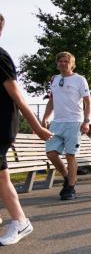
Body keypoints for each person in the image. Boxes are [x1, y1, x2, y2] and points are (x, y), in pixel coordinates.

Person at [0, 13, 53, 246]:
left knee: (1, 176)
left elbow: (18, 96)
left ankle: (20, 221)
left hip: (1, 125)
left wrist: (38, 127)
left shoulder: (0, 57)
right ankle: (17, 220)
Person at [41, 51, 91, 201]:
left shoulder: (80, 80)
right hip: (57, 123)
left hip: (74, 122)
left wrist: (86, 121)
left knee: (70, 155)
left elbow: (88, 102)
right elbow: (52, 100)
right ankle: (68, 178)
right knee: (51, 153)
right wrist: (45, 118)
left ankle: (70, 188)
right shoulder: (54, 79)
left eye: (66, 61)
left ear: (72, 64)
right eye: (60, 61)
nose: (63, 64)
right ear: (57, 63)